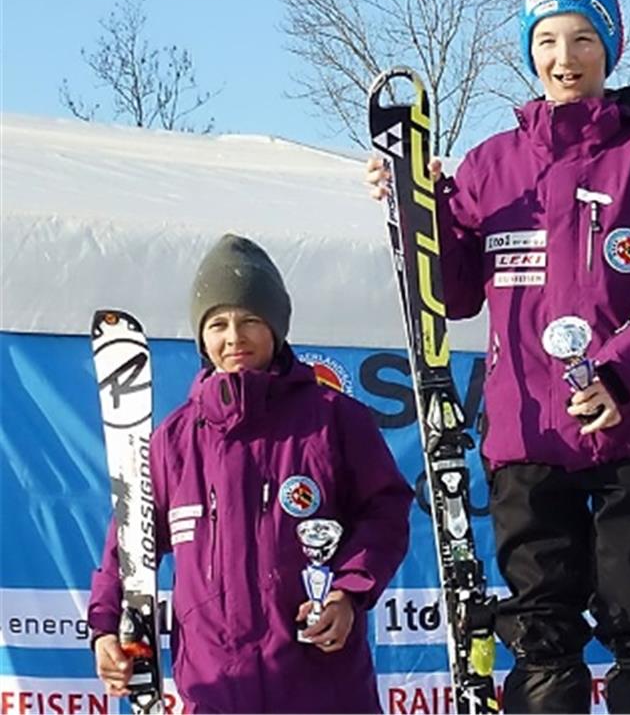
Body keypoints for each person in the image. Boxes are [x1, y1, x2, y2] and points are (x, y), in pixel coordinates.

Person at [367, 0, 630, 714]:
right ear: (530, 51)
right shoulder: (492, 166)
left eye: (584, 40)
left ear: (611, 49)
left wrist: (622, 373)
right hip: (527, 437)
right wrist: (414, 209)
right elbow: (456, 293)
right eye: (549, 42)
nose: (565, 59)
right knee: (541, 633)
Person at [89, 233, 413, 713]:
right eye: (217, 323)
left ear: (277, 329)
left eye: (250, 320)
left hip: (321, 688)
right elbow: (128, 545)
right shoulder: (174, 440)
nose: (234, 337)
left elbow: (385, 513)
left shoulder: (335, 419)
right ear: (201, 336)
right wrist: (104, 628)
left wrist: (347, 592)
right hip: (215, 687)